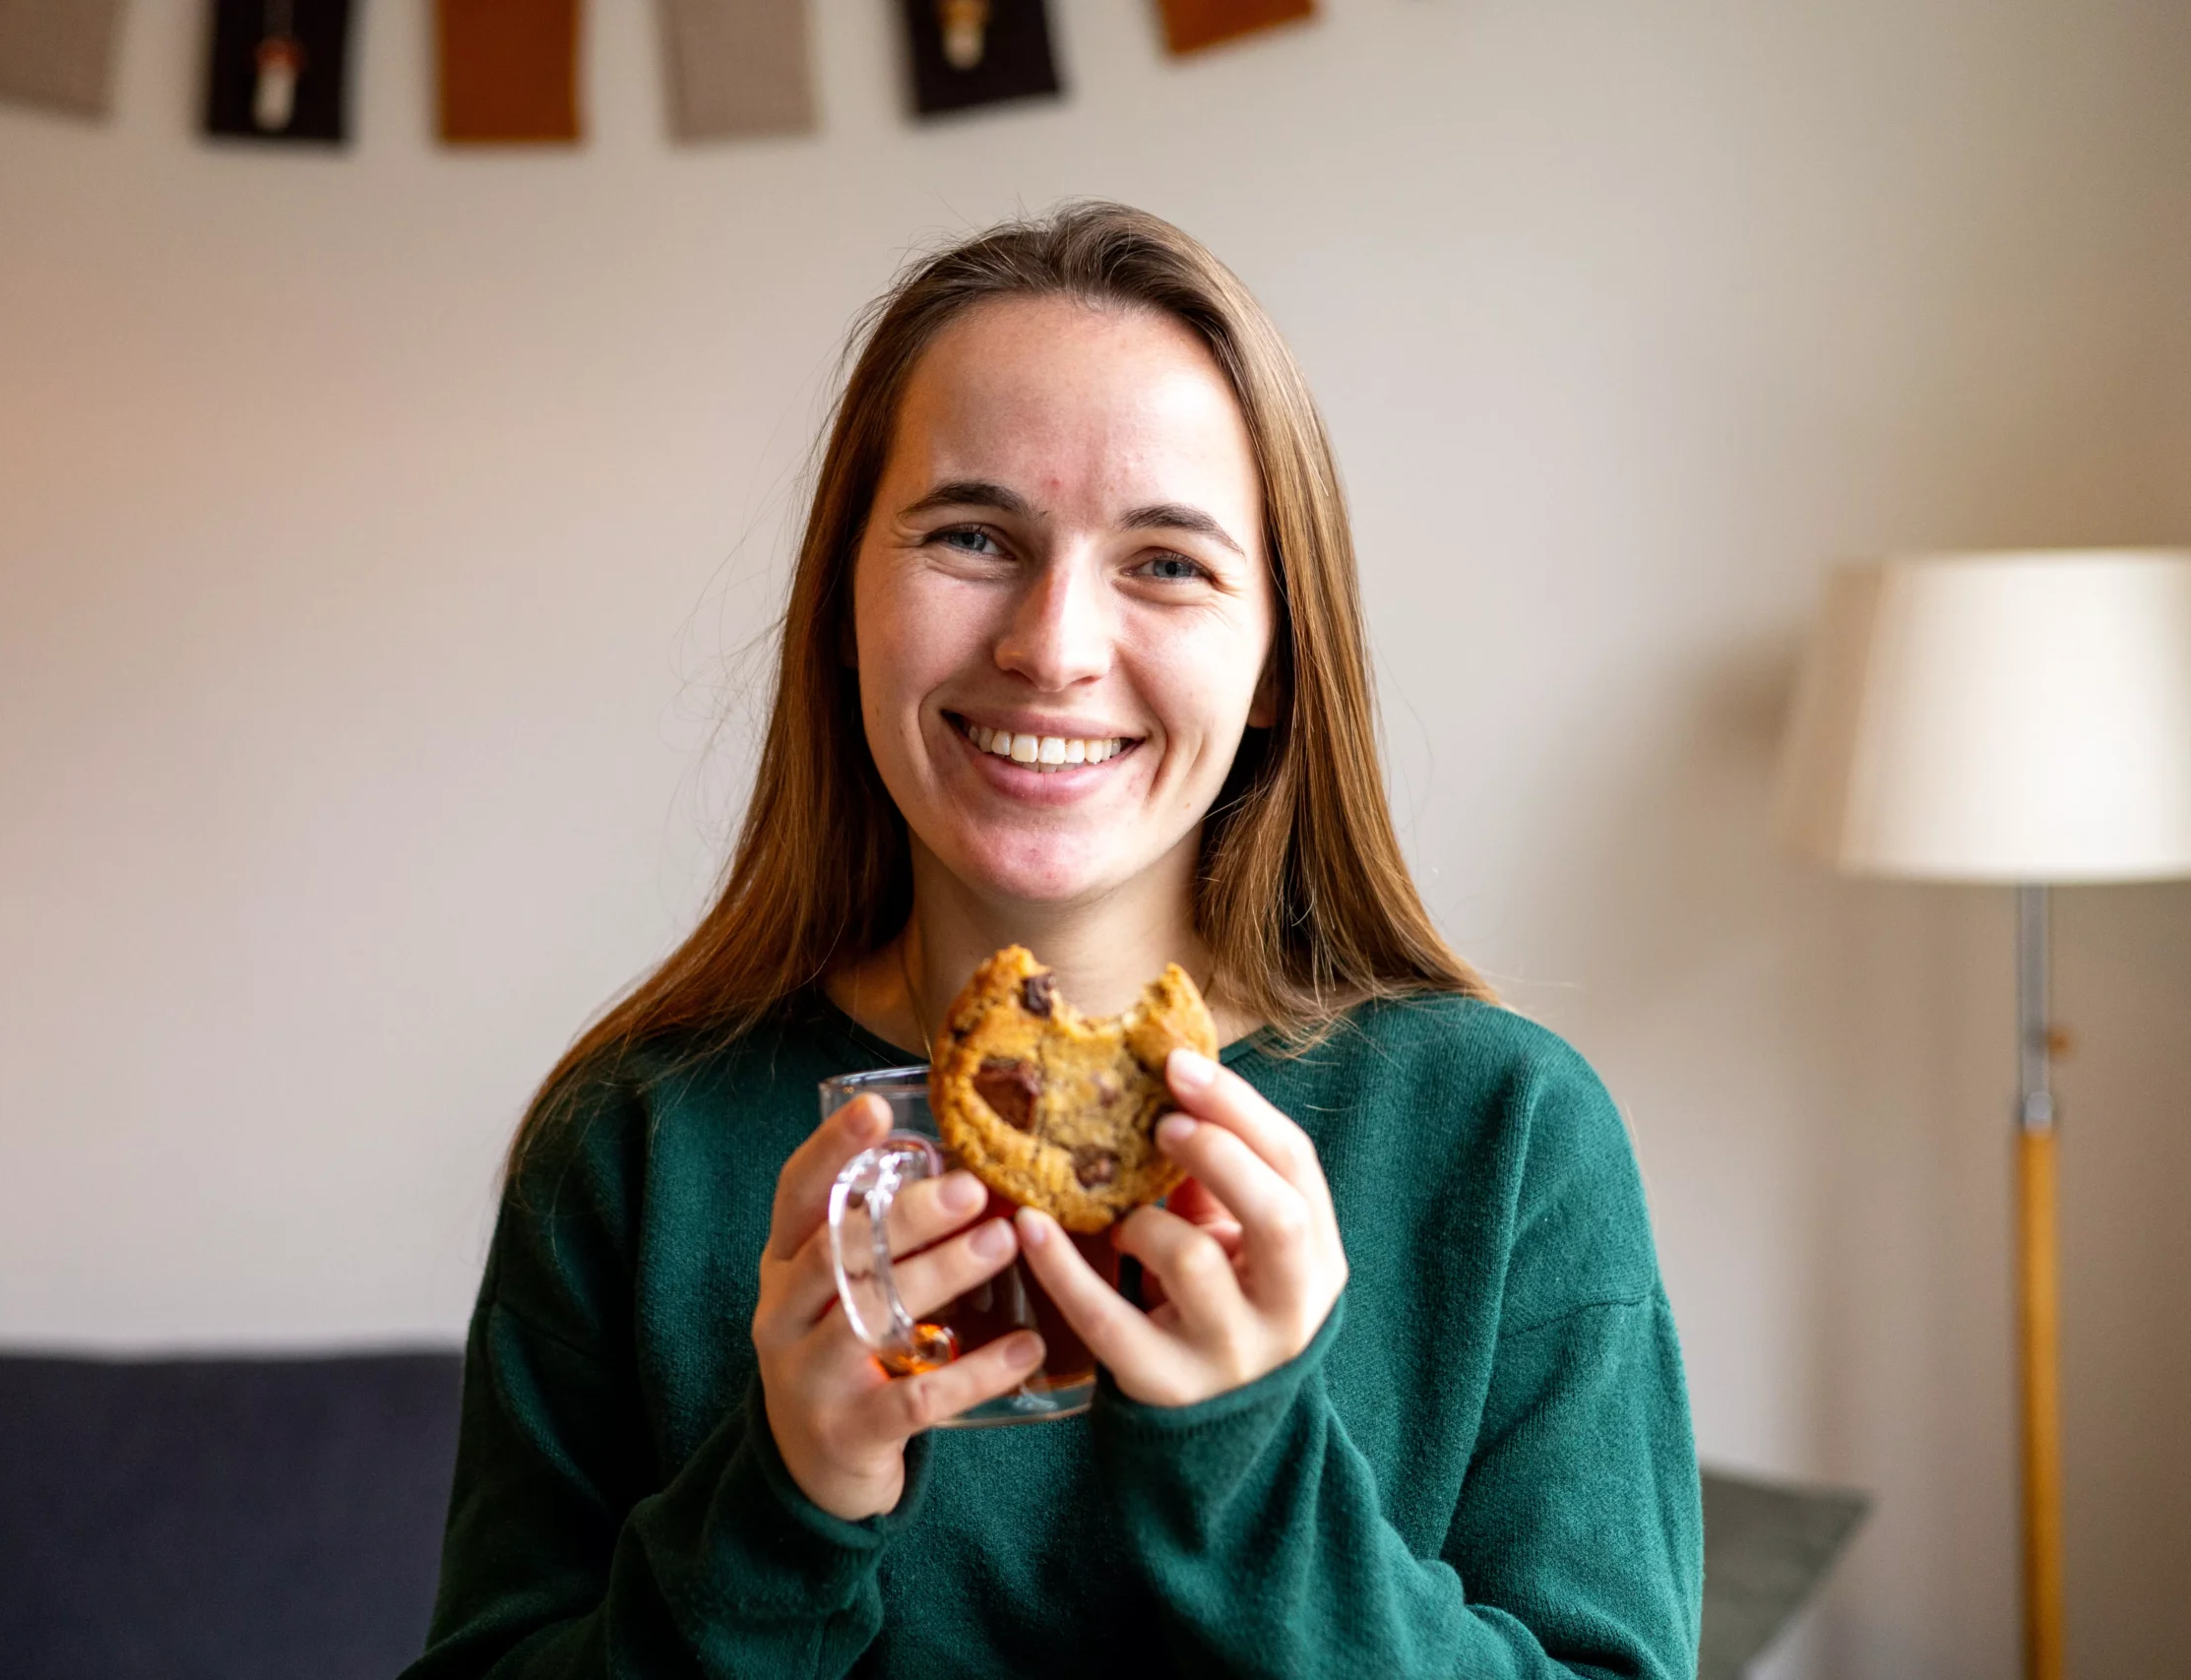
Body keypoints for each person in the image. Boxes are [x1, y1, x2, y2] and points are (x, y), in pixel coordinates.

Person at [405, 203, 1701, 1678]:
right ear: (846, 604)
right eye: (972, 534)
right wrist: (780, 1504)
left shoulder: (1506, 1139)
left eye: (1167, 562)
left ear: (1277, 663)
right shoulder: (633, 1146)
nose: (1053, 644)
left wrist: (1251, 1465)